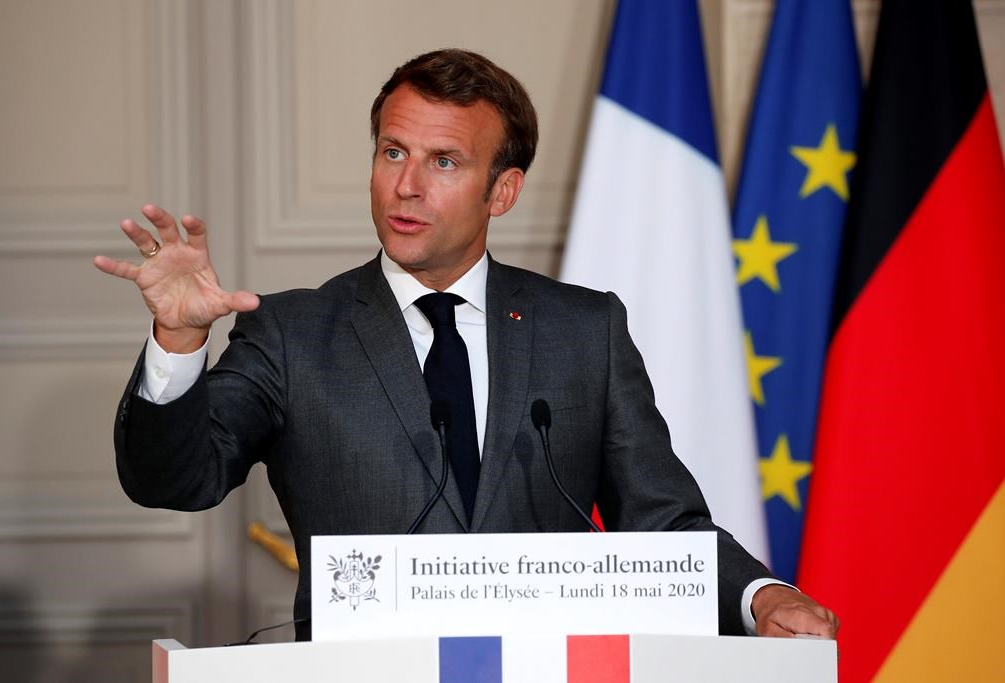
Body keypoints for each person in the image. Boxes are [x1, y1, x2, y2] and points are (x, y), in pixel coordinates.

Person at [94, 49, 838, 642]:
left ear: (502, 190)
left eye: (442, 161)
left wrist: (762, 593)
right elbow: (174, 480)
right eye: (392, 152)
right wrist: (180, 337)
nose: (405, 186)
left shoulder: (585, 331)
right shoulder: (293, 333)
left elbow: (664, 519)